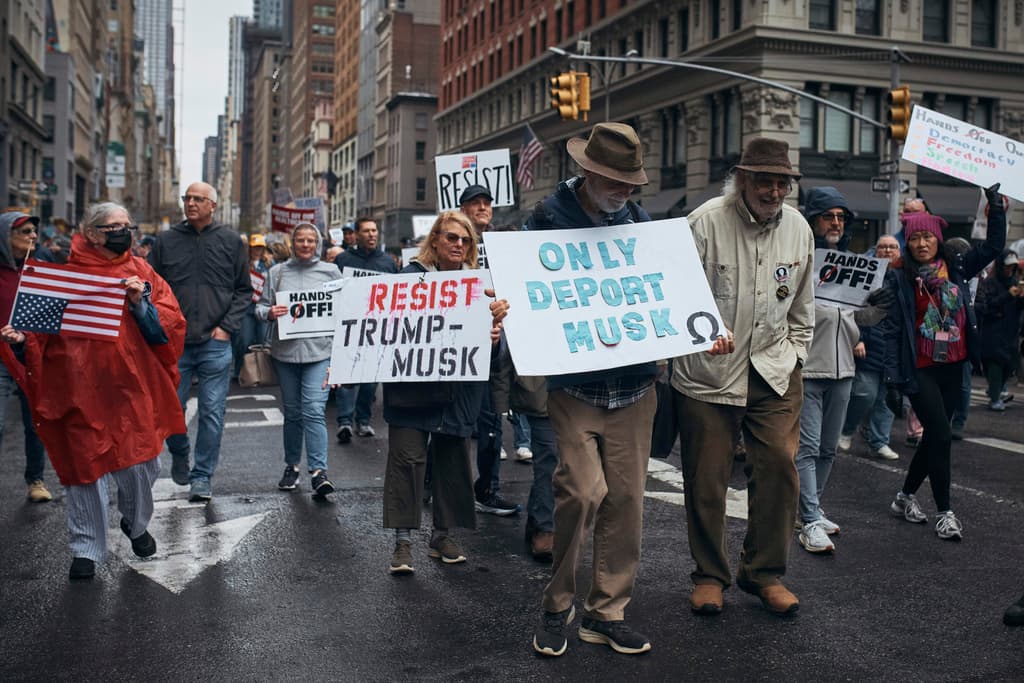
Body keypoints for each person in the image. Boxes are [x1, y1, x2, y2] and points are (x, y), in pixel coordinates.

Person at [520, 122, 733, 657]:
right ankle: (557, 604)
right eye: (615, 182)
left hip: (636, 390)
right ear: (588, 173)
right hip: (574, 391)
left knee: (628, 504)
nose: (625, 193)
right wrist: (504, 311)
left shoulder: (643, 226)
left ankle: (606, 612)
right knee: (580, 492)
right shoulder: (545, 222)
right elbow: (522, 294)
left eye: (630, 184)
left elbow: (670, 300)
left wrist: (703, 331)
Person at [0, 201, 186, 579]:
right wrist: (22, 342)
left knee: (141, 463)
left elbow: (170, 326)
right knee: (84, 469)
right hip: (79, 391)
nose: (123, 232)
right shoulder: (64, 279)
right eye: (113, 226)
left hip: (133, 392)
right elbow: (40, 338)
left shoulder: (142, 272)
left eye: (126, 225)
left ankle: (135, 523)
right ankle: (85, 548)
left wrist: (140, 305)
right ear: (90, 233)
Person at [672, 137, 813, 618]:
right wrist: (700, 333)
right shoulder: (704, 223)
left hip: (774, 371)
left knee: (778, 466)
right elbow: (674, 296)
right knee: (706, 479)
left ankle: (765, 573)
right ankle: (710, 576)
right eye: (764, 181)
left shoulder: (798, 228)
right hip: (709, 374)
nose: (774, 191)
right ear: (742, 180)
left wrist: (795, 353)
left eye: (781, 183)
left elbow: (802, 305)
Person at [882, 184, 1005, 541]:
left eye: (927, 237)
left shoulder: (959, 267)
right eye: (914, 238)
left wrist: (995, 207)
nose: (921, 244)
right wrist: (892, 380)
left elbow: (995, 246)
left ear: (938, 240)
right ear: (907, 242)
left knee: (934, 438)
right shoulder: (899, 278)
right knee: (940, 435)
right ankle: (945, 512)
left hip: (954, 364)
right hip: (919, 368)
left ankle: (904, 497)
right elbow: (891, 332)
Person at [382, 211, 489, 575]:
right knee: (406, 463)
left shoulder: (480, 286)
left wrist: (494, 336)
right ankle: (402, 543)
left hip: (457, 395)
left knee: (451, 464)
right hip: (412, 395)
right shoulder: (409, 279)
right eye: (451, 238)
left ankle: (441, 535)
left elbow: (500, 351)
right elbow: (384, 330)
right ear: (435, 241)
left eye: (465, 240)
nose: (459, 245)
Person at [794, 187, 892, 554]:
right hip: (807, 367)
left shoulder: (855, 265)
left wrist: (881, 308)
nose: (835, 223)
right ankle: (809, 519)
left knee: (829, 448)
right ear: (813, 220)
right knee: (806, 448)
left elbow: (859, 318)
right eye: (828, 216)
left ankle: (812, 510)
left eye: (841, 217)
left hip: (843, 368)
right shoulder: (801, 259)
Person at [149, 181, 251, 502]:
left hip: (215, 343)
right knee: (170, 410)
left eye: (198, 199)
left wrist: (226, 328)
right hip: (174, 344)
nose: (191, 203)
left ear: (213, 206)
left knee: (211, 412)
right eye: (187, 198)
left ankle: (202, 476)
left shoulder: (232, 242)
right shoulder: (165, 242)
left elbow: (243, 290)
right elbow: (151, 288)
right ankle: (180, 452)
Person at [256, 223, 341, 497]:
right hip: (285, 354)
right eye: (300, 240)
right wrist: (269, 312)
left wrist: (340, 360)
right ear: (293, 243)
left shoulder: (331, 272)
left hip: (321, 353)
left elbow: (344, 315)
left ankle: (318, 472)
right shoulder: (277, 272)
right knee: (292, 413)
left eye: (310, 240)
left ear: (318, 243)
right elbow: (258, 307)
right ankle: (291, 466)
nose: (305, 245)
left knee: (314, 410)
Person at [458, 185, 518, 515]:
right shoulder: (454, 242)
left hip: (496, 341)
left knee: (491, 418)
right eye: (475, 203)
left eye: (487, 203)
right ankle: (433, 481)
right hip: (459, 341)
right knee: (451, 419)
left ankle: (488, 488)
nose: (483, 208)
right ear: (463, 208)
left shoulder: (504, 244)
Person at [0, 212, 52, 502]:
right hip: (0, 357)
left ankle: (36, 480)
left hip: (30, 356)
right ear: (6, 236)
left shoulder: (41, 271)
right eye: (25, 231)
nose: (33, 236)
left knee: (35, 423)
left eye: (34, 231)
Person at [333, 217, 397, 443]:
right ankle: (344, 422)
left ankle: (363, 421)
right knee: (347, 377)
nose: (371, 234)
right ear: (357, 235)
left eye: (374, 230)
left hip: (376, 330)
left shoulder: (388, 263)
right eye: (367, 231)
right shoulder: (342, 260)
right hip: (348, 328)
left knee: (370, 380)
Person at [839, 234, 902, 458]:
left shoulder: (904, 278)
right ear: (875, 252)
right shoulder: (866, 276)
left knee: (887, 400)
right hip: (870, 343)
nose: (887, 251)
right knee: (865, 393)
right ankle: (846, 430)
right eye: (882, 247)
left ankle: (879, 441)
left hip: (895, 348)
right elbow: (852, 309)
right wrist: (858, 338)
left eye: (892, 247)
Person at [975, 250, 1024, 411]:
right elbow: (985, 306)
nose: (1009, 270)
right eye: (1007, 267)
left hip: (1010, 332)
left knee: (1009, 365)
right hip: (993, 331)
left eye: (1012, 267)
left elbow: (1018, 308)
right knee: (995, 364)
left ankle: (995, 390)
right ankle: (995, 396)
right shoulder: (990, 283)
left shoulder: (1014, 282)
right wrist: (1008, 296)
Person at [234, 233, 271, 379]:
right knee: (244, 341)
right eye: (255, 248)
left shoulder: (269, 264)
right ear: (250, 248)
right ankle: (240, 371)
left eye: (260, 248)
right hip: (247, 308)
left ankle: (262, 372)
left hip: (263, 307)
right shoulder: (242, 264)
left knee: (263, 341)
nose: (258, 251)